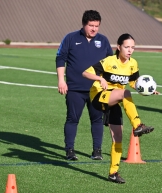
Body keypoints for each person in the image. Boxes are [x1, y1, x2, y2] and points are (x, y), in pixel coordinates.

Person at [82, 33, 156, 183]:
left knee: (118, 138)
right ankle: (138, 125)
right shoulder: (109, 61)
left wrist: (147, 89)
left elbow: (134, 82)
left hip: (115, 99)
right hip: (99, 95)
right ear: (119, 47)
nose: (130, 50)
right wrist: (100, 78)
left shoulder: (133, 63)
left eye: (133, 47)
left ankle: (113, 173)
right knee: (125, 93)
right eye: (127, 47)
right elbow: (85, 73)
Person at [55, 10, 113, 161]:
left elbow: (110, 65)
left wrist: (111, 87)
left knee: (97, 120)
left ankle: (97, 151)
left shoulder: (103, 40)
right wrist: (61, 80)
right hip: (75, 89)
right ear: (83, 24)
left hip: (97, 90)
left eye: (97, 26)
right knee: (72, 119)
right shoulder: (71, 38)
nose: (94, 29)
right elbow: (60, 58)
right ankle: (69, 150)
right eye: (91, 25)